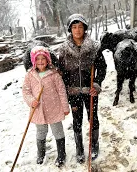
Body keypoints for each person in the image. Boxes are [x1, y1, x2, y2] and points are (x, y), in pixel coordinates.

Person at [57, 14, 107, 163]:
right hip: (73, 92)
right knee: (76, 120)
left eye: (80, 27)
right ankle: (79, 149)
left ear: (84, 28)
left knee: (93, 118)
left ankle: (94, 144)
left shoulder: (94, 47)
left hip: (90, 90)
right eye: (74, 27)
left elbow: (102, 67)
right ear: (70, 29)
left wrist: (97, 84)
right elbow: (62, 71)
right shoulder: (64, 50)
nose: (77, 30)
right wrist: (65, 88)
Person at [22, 46, 70, 167]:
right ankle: (41, 154)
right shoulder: (30, 75)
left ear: (48, 60)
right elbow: (26, 91)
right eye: (37, 59)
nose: (41, 61)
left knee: (57, 131)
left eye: (43, 58)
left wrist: (65, 107)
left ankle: (61, 154)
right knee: (41, 132)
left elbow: (61, 91)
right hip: (38, 110)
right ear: (33, 61)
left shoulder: (54, 74)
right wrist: (31, 101)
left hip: (54, 108)